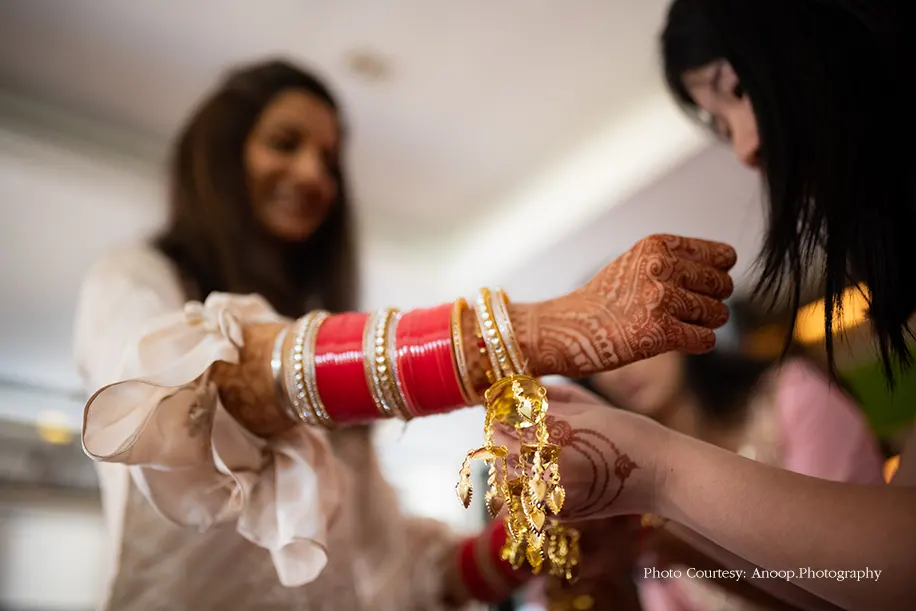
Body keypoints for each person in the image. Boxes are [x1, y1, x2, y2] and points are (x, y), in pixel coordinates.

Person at [73, 58, 736, 611]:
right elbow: (202, 392)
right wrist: (545, 329)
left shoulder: (324, 383)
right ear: (219, 157)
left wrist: (539, 532)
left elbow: (404, 579)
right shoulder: (135, 278)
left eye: (329, 161)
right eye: (285, 143)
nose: (314, 175)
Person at [498, 2, 916, 610]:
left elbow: (885, 573)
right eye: (719, 127)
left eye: (738, 90)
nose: (744, 148)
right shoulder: (651, 522)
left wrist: (655, 472)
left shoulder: (788, 398)